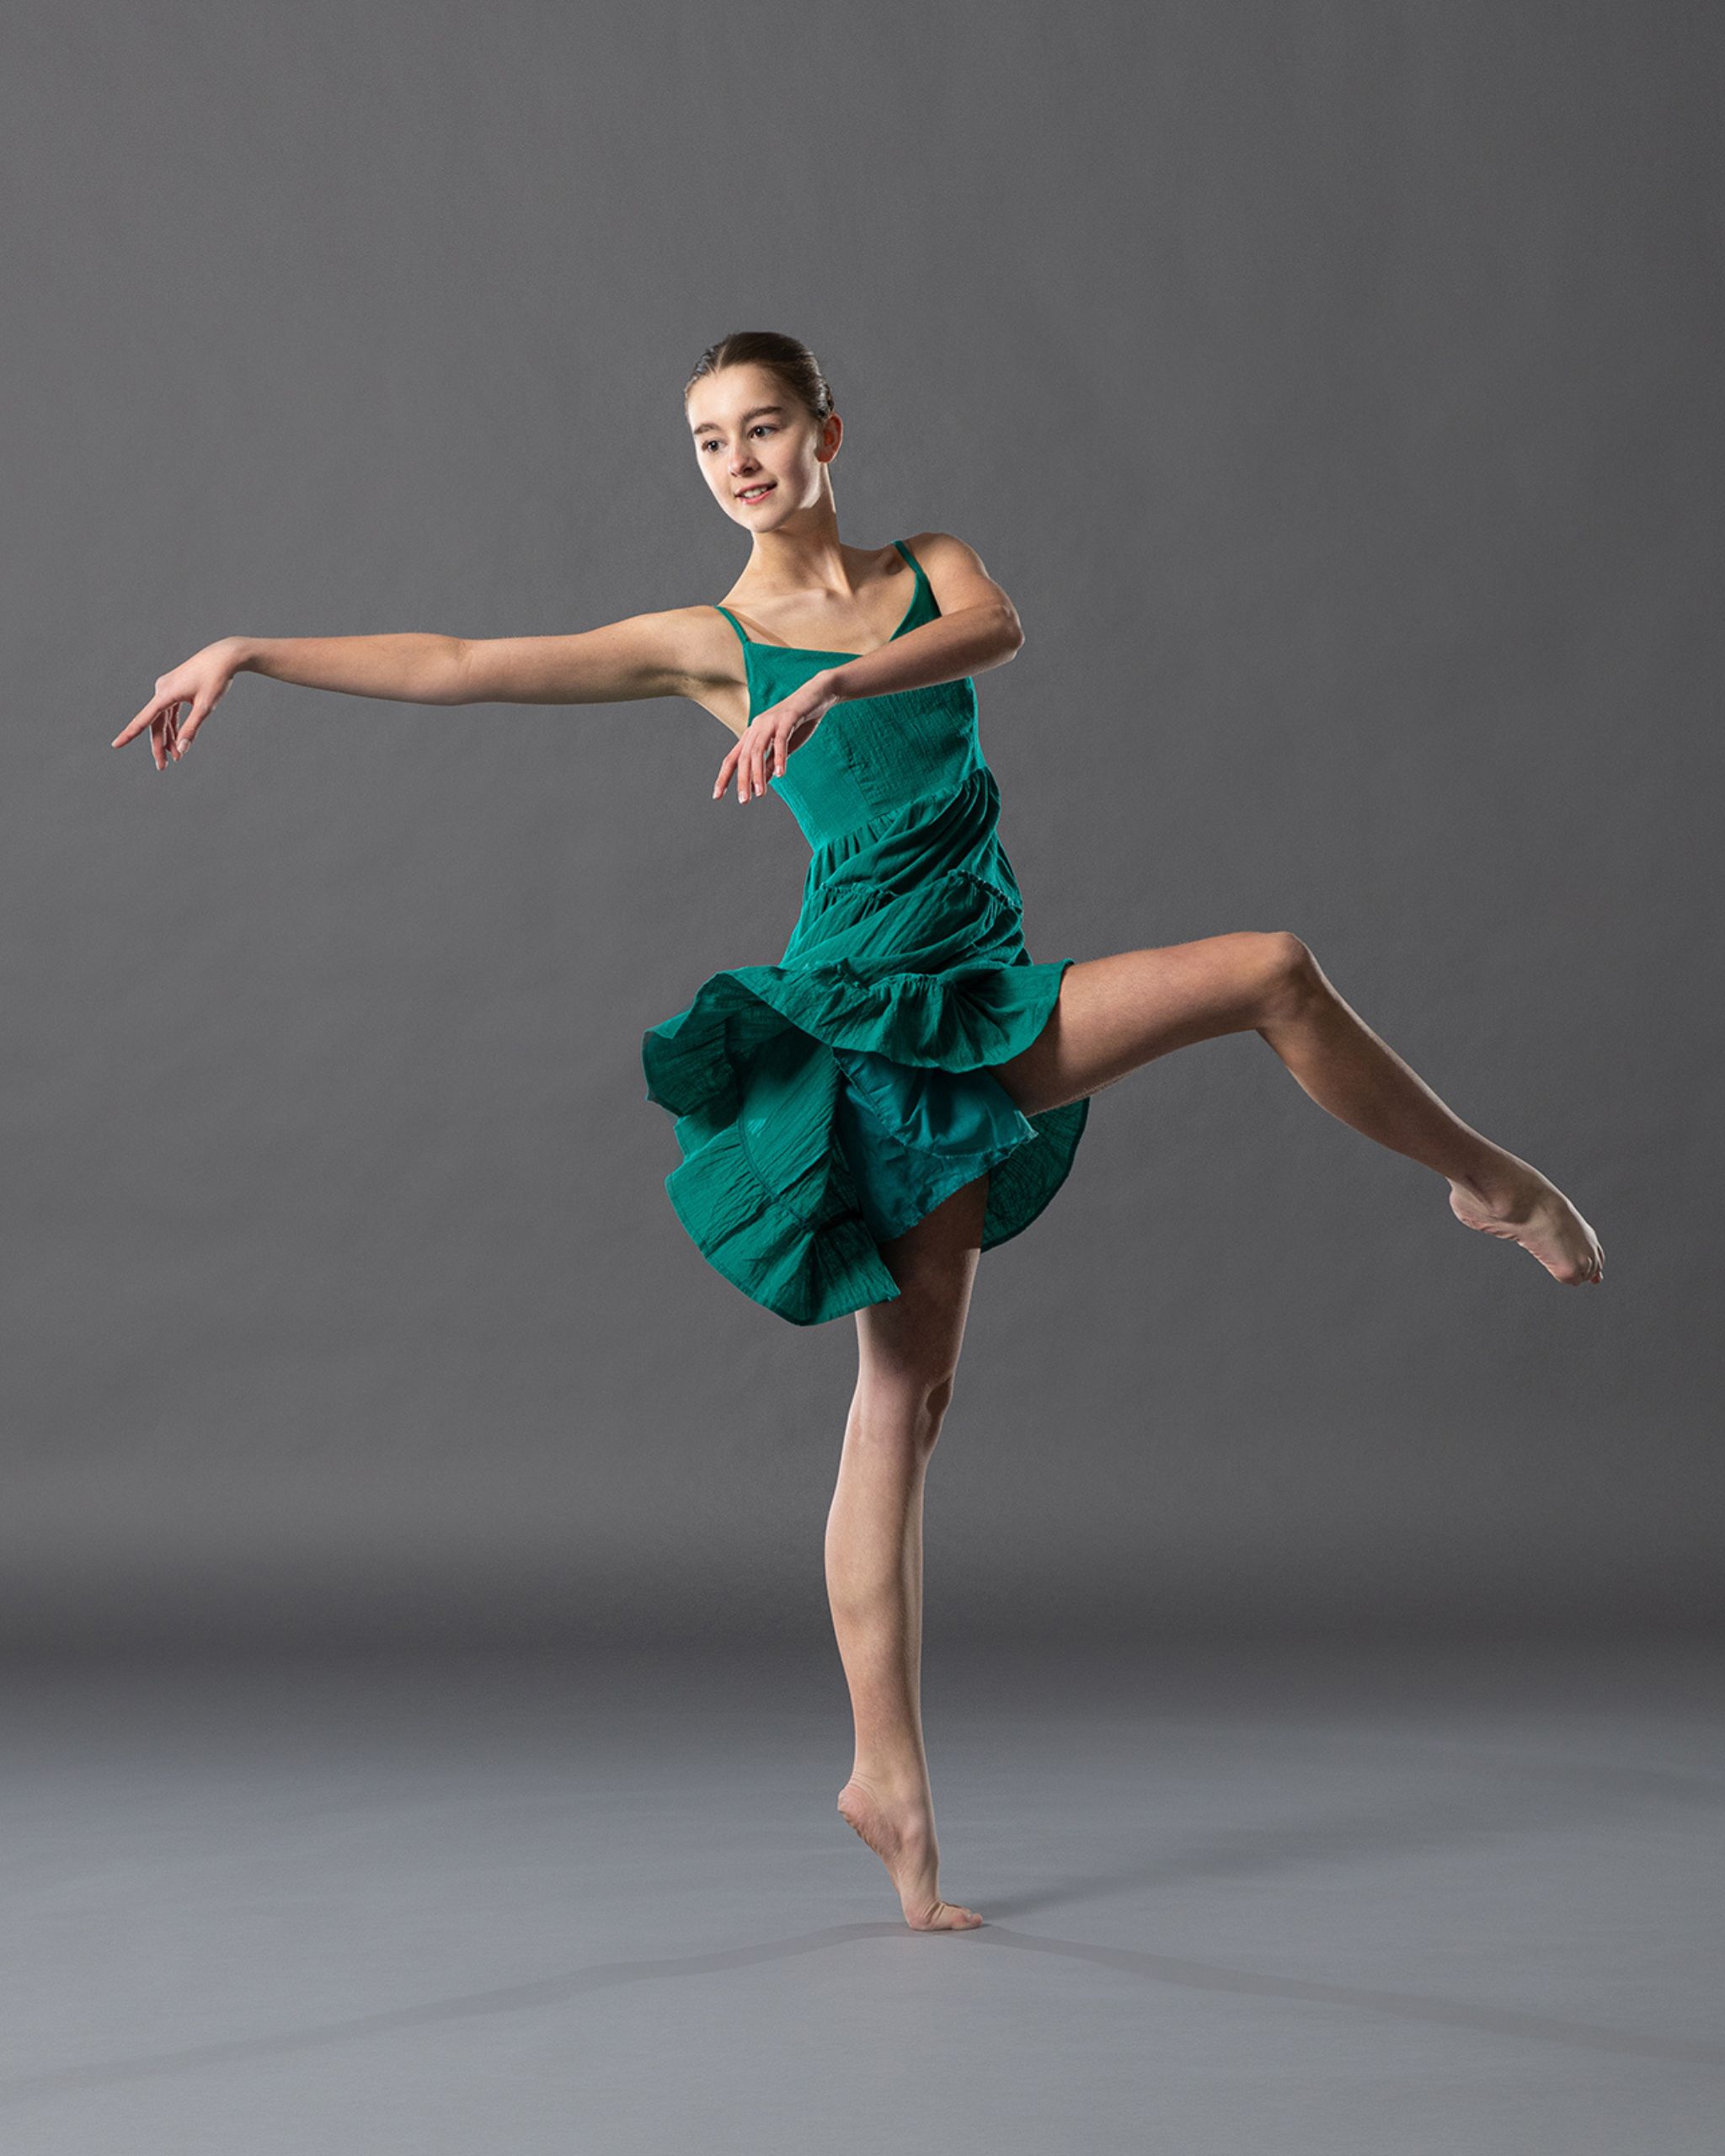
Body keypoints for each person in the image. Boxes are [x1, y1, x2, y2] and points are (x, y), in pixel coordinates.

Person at [113, 328, 1605, 1936]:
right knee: (905, 1395)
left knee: (1270, 975)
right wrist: (249, 648)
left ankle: (1491, 1180)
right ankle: (886, 1778)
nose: (741, 461)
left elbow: (997, 631)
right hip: (868, 1028)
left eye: (766, 428)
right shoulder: (705, 640)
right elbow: (468, 659)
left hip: (990, 992)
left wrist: (835, 677)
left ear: (831, 430)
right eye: (708, 443)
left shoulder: (928, 569)